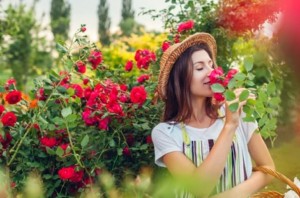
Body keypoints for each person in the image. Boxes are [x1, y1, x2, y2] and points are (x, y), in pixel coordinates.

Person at [152, 33, 275, 198]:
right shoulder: (164, 133)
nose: (212, 72)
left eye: (211, 65)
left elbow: (268, 168)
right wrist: (230, 126)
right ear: (180, 79)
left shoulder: (238, 111)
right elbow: (199, 189)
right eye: (200, 67)